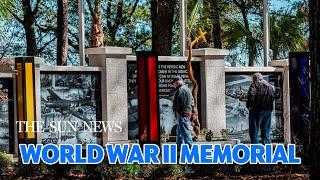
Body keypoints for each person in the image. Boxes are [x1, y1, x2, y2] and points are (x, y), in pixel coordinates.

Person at [246, 73, 275, 144]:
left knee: (254, 131)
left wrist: (250, 106)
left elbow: (251, 95)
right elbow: (273, 97)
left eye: (253, 79)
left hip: (257, 110)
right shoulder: (270, 86)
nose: (252, 81)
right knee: (266, 131)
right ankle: (267, 150)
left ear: (256, 78)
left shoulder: (255, 84)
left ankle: (255, 151)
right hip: (267, 111)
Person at [172, 76, 193, 150]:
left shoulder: (181, 90)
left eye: (174, 84)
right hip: (185, 113)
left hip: (182, 114)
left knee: (185, 131)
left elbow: (181, 103)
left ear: (177, 82)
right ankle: (178, 148)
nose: (174, 86)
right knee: (180, 132)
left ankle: (191, 149)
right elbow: (191, 102)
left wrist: (179, 112)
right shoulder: (186, 89)